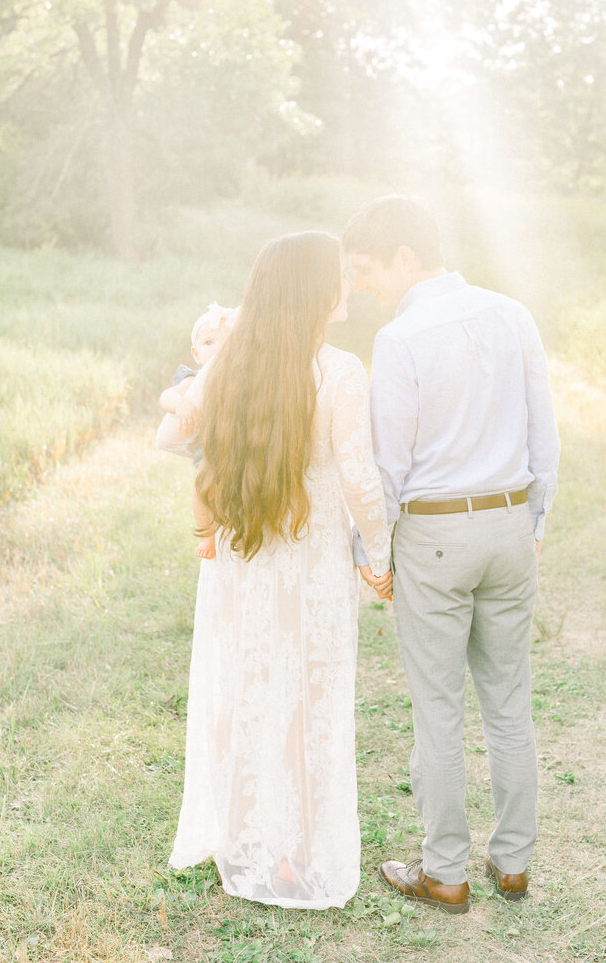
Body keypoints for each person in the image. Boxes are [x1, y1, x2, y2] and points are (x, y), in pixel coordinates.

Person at [156, 231, 393, 910]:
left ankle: (238, 837)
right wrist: (380, 559)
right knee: (306, 701)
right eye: (339, 276)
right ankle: (292, 855)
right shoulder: (340, 371)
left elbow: (173, 438)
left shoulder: (235, 362)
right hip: (310, 563)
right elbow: (360, 483)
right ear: (317, 290)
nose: (348, 284)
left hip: (242, 554)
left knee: (242, 685)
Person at [342, 196, 560, 914]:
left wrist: (374, 552)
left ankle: (445, 873)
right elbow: (543, 434)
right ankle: (515, 864)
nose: (364, 283)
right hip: (507, 528)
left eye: (370, 268)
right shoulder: (514, 314)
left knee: (438, 712)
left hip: (435, 536)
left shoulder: (401, 339)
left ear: (405, 255)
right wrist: (530, 521)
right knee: (509, 704)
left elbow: (388, 468)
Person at [159, 303, 237, 559]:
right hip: (211, 447)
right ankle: (207, 534)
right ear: (195, 352)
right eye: (209, 342)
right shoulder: (194, 379)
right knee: (203, 485)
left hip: (241, 445)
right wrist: (180, 405)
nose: (218, 349)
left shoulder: (241, 377)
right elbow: (166, 397)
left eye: (227, 342)